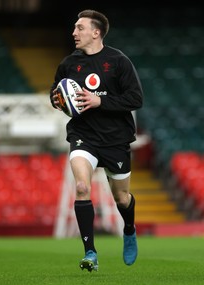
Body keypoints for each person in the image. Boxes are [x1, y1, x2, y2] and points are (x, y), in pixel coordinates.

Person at [50, 9, 143, 272]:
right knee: (81, 186)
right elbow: (55, 92)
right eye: (74, 28)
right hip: (84, 136)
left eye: (80, 28)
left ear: (96, 32)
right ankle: (90, 252)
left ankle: (129, 229)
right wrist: (59, 100)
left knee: (122, 198)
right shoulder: (69, 63)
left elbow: (136, 99)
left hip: (115, 139)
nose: (74, 33)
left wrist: (99, 100)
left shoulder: (118, 61)